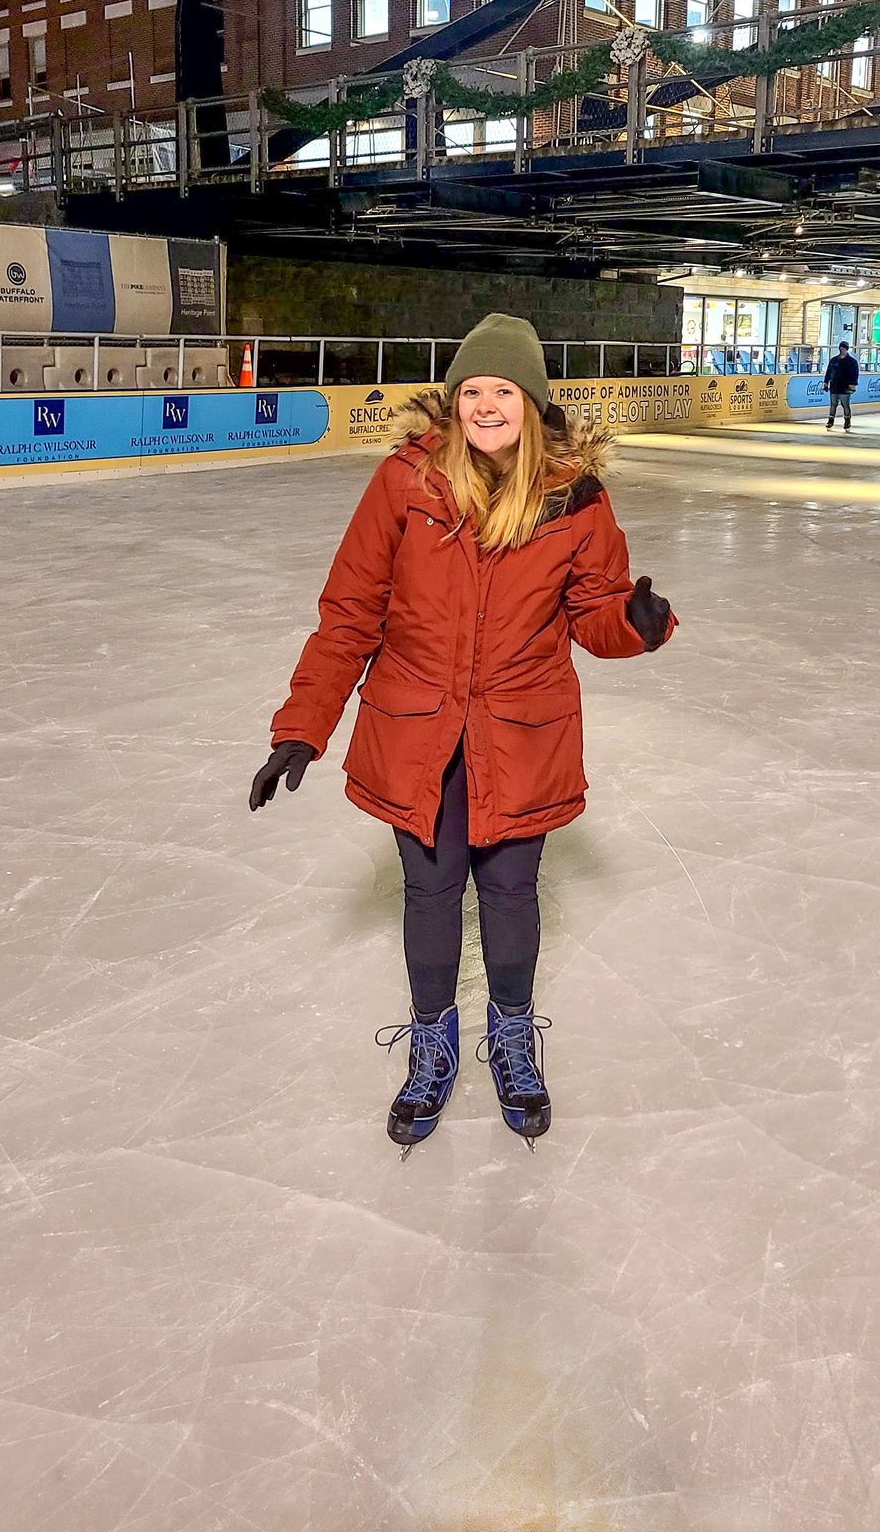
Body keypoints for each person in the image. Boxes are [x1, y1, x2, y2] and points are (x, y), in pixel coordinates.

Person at [249, 313, 676, 1151]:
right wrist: (303, 726)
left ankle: (512, 1034)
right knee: (432, 895)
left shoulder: (573, 496)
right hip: (417, 730)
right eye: (472, 389)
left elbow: (595, 613)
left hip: (521, 731)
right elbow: (350, 614)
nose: (486, 405)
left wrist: (637, 619)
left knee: (513, 895)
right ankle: (434, 1042)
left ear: (532, 401)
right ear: (454, 400)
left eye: (503, 390)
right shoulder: (404, 482)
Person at [822, 339, 860, 432]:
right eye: (840, 347)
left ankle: (847, 421)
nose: (841, 349)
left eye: (843, 348)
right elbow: (829, 372)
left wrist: (853, 384)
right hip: (834, 386)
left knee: (845, 405)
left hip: (845, 387)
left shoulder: (851, 361)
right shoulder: (834, 360)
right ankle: (830, 421)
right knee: (833, 405)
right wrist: (826, 382)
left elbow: (855, 373)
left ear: (846, 349)